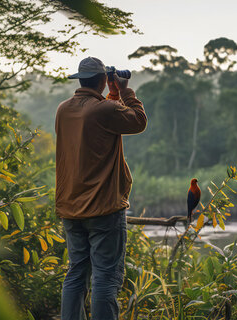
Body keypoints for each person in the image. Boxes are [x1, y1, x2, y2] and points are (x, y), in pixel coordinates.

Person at [54, 56, 147, 319]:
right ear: (101, 81)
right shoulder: (103, 110)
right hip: (103, 209)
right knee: (105, 279)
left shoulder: (64, 109)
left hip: (71, 208)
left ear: (80, 79)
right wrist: (125, 90)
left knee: (76, 274)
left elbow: (100, 118)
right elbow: (138, 120)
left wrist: (113, 93)